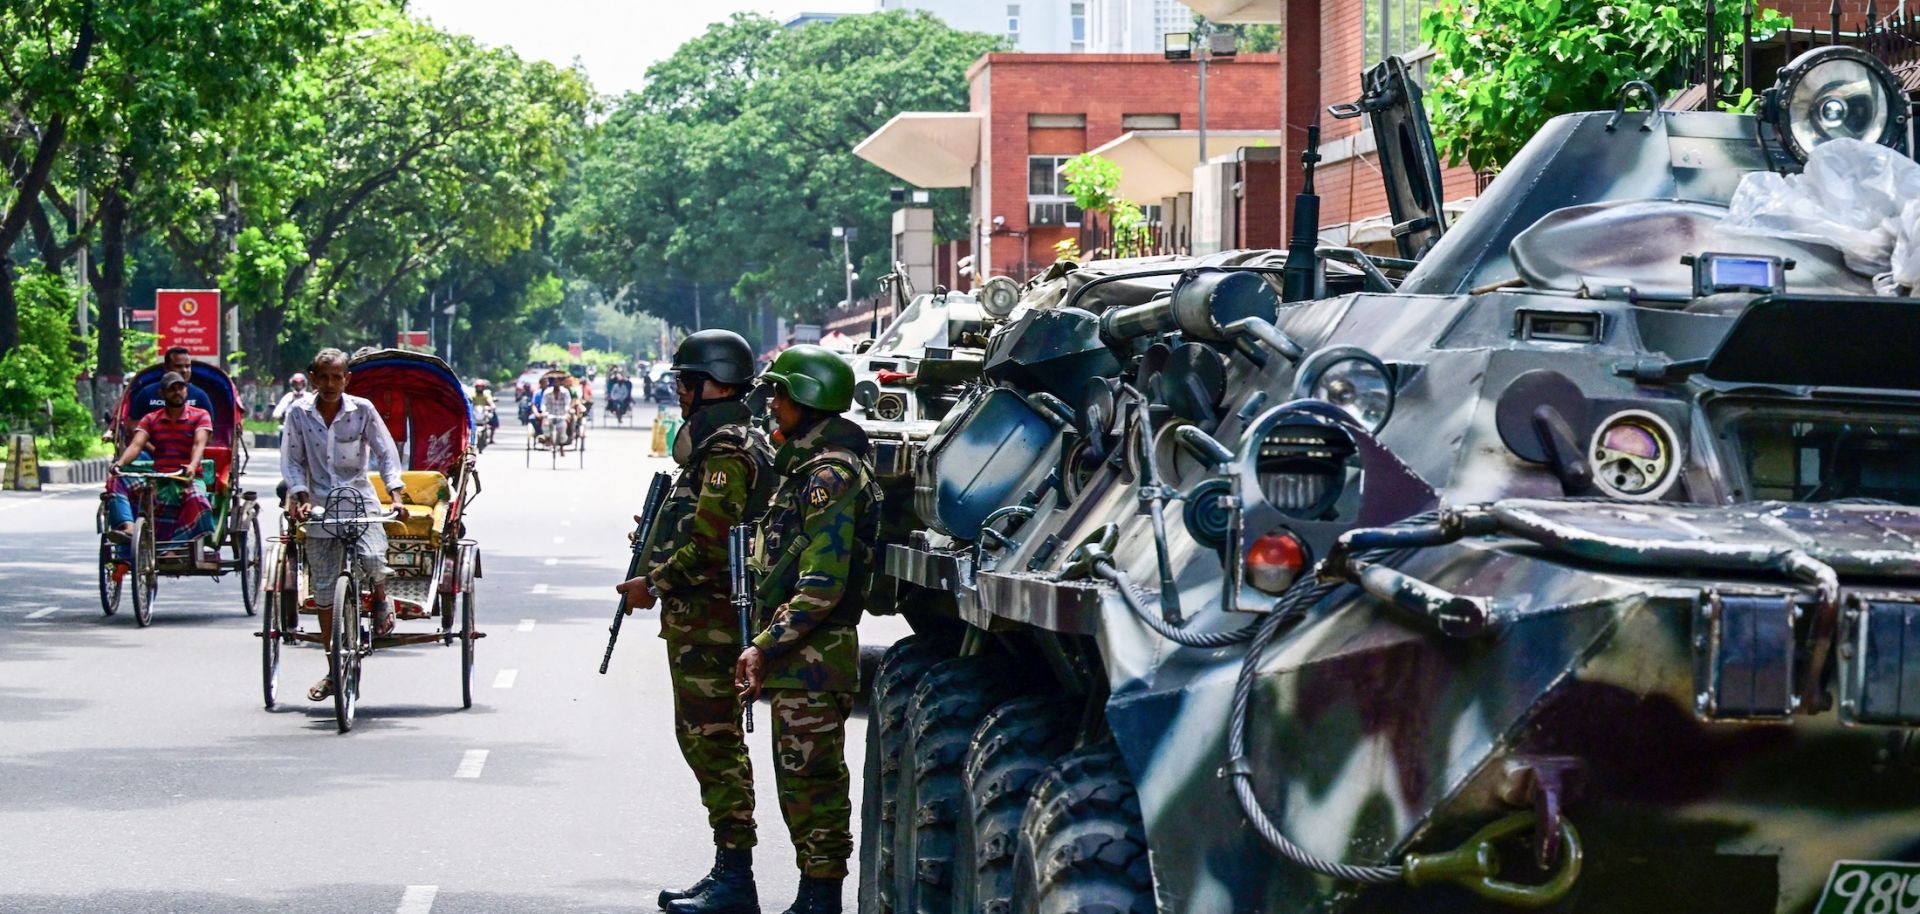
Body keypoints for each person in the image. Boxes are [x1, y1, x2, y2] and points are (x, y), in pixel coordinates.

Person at [614, 330, 772, 914]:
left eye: (684, 382)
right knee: (707, 741)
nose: (679, 393)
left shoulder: (725, 449)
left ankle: (736, 881)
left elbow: (711, 545)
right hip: (703, 616)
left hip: (709, 619)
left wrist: (653, 583)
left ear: (709, 384)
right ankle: (729, 872)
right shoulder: (725, 442)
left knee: (714, 742)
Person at [735, 345, 877, 914]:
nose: (772, 404)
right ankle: (812, 894)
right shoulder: (806, 468)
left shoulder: (829, 476)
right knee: (799, 784)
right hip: (801, 656)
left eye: (781, 395)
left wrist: (763, 645)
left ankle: (821, 899)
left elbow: (821, 584)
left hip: (816, 656)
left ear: (807, 400)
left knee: (814, 784)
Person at [281, 348, 411, 702]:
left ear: (346, 379)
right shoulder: (298, 413)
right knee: (323, 590)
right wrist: (301, 494)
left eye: (336, 377)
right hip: (320, 506)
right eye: (322, 377)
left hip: (359, 499)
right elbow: (292, 461)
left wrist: (396, 494)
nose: (329, 384)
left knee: (372, 560)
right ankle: (332, 668)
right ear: (312, 378)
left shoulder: (363, 410)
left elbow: (386, 454)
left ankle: (381, 599)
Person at [105, 371, 217, 571]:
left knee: (200, 504)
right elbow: (136, 445)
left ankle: (173, 548)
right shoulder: (151, 418)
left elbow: (199, 444)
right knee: (116, 480)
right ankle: (128, 527)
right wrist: (120, 463)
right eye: (171, 389)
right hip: (160, 476)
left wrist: (192, 466)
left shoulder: (200, 415)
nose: (177, 392)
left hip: (188, 476)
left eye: (180, 388)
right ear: (162, 393)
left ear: (186, 390)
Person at [541, 373, 574, 455]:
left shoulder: (565, 392)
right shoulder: (547, 392)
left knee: (562, 429)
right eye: (554, 381)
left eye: (558, 381)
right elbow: (543, 404)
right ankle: (548, 438)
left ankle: (562, 446)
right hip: (550, 415)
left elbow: (567, 404)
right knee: (545, 424)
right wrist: (544, 411)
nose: (556, 383)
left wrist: (567, 413)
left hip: (561, 415)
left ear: (560, 382)